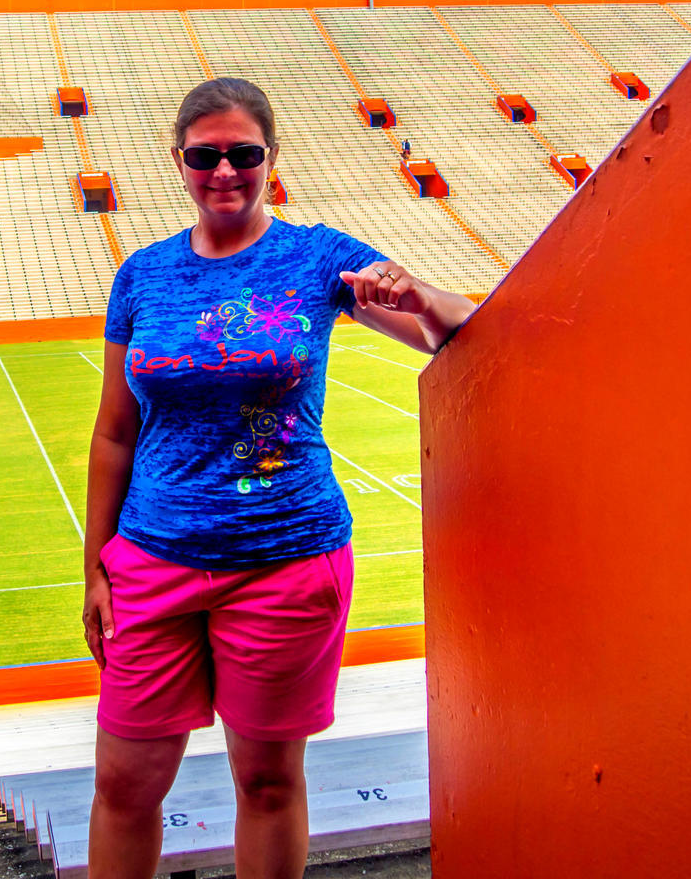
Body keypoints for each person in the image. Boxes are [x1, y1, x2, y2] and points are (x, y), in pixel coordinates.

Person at [83, 77, 476, 879]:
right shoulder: (142, 274)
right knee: (125, 784)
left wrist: (412, 291)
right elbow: (113, 431)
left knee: (266, 781)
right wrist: (93, 565)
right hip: (152, 561)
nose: (223, 171)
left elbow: (452, 330)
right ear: (179, 161)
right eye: (205, 156)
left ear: (271, 157)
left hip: (287, 562)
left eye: (243, 154)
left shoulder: (318, 256)